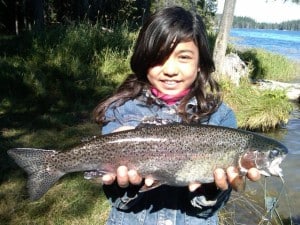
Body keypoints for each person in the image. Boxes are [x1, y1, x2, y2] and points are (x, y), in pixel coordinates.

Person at [93, 6, 260, 225]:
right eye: (159, 57)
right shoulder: (120, 111)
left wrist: (211, 189)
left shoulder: (221, 117)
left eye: (183, 57)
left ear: (200, 63)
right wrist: (122, 185)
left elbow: (215, 204)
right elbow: (115, 197)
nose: (170, 69)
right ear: (144, 59)